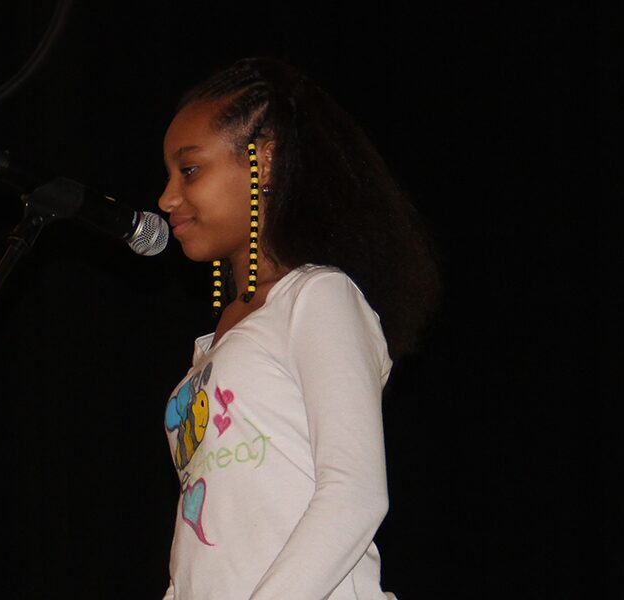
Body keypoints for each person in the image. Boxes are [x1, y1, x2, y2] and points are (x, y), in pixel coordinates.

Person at [155, 57, 439, 599]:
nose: (167, 197)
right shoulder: (212, 346)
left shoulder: (318, 298)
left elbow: (354, 494)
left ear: (262, 160)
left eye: (188, 170)